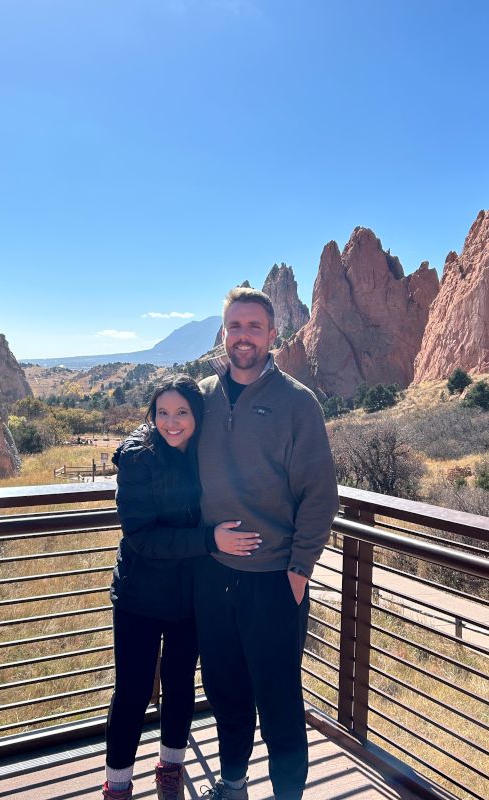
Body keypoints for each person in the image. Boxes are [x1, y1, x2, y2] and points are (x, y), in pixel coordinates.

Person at [195, 287, 339, 800]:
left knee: (279, 702)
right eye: (235, 326)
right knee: (226, 693)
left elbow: (320, 494)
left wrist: (299, 569)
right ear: (224, 332)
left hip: (275, 583)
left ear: (273, 335)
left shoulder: (297, 403)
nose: (243, 336)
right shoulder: (204, 396)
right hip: (213, 579)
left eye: (254, 327)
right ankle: (232, 784)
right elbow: (164, 439)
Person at [103, 375, 261, 800]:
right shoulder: (138, 458)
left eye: (182, 413)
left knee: (179, 684)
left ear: (197, 415)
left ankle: (170, 771)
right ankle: (116, 786)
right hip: (139, 595)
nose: (171, 423)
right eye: (162, 413)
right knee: (133, 690)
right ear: (152, 416)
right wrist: (211, 540)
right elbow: (141, 536)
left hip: (190, 597)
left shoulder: (203, 453)